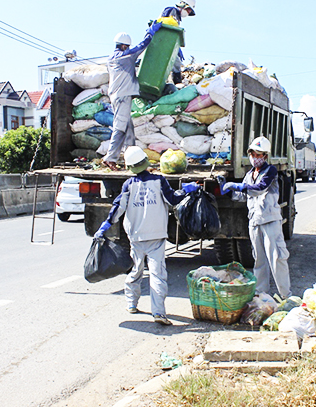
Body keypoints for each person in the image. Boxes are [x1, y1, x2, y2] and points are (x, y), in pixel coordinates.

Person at [94, 146, 199, 325]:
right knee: (158, 274)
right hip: (156, 237)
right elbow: (173, 199)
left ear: (130, 167)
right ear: (145, 162)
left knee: (136, 271)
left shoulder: (128, 185)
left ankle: (131, 304)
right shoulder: (159, 180)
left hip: (135, 237)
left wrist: (105, 226)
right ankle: (158, 313)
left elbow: (117, 208)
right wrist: (188, 188)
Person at [217, 136, 291, 299]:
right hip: (255, 222)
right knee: (259, 260)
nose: (256, 158)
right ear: (249, 154)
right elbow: (243, 196)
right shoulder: (249, 174)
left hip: (270, 220)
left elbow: (259, 188)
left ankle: (286, 296)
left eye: (260, 155)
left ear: (265, 156)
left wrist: (237, 185)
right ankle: (261, 295)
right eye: (253, 154)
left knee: (277, 258)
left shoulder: (270, 171)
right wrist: (227, 190)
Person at [102, 22, 162, 171]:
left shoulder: (112, 58)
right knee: (120, 127)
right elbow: (143, 45)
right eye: (127, 47)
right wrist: (150, 32)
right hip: (122, 96)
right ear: (124, 46)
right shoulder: (126, 55)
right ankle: (110, 158)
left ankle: (132, 160)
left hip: (117, 96)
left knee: (129, 129)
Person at [160, 0, 196, 84]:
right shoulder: (172, 10)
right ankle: (178, 83)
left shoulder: (178, 18)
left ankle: (177, 83)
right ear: (183, 5)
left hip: (167, 43)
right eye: (188, 10)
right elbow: (167, 25)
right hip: (163, 42)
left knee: (176, 63)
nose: (188, 13)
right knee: (176, 64)